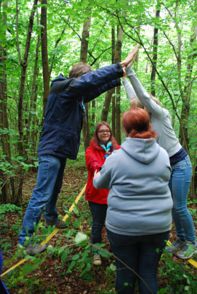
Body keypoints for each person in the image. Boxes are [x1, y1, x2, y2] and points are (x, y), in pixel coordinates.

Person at [18, 46, 139, 255]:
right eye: (86, 78)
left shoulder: (75, 97)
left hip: (60, 150)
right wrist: (118, 67)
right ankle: (25, 240)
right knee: (41, 193)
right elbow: (89, 83)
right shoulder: (61, 87)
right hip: (51, 149)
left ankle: (51, 216)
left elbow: (94, 88)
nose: (87, 82)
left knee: (54, 188)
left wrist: (117, 78)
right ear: (78, 78)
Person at [93, 108, 173, 294]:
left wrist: (98, 174)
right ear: (148, 125)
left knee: (125, 274)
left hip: (123, 228)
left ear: (126, 129)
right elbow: (165, 179)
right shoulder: (163, 154)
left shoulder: (116, 158)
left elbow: (99, 183)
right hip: (158, 227)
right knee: (148, 273)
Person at [124, 64, 197, 260]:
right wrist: (122, 78)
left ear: (150, 106)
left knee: (180, 206)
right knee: (172, 206)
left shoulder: (160, 114)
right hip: (167, 167)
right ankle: (181, 240)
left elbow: (143, 97)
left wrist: (131, 72)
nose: (139, 110)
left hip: (180, 164)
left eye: (143, 107)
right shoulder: (145, 121)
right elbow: (134, 99)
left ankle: (192, 243)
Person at [85, 122, 119, 265]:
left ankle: (116, 250)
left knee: (115, 224)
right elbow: (93, 164)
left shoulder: (118, 149)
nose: (105, 133)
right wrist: (104, 164)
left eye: (107, 131)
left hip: (114, 195)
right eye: (102, 131)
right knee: (98, 224)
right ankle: (96, 253)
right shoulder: (90, 151)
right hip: (97, 195)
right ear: (97, 134)